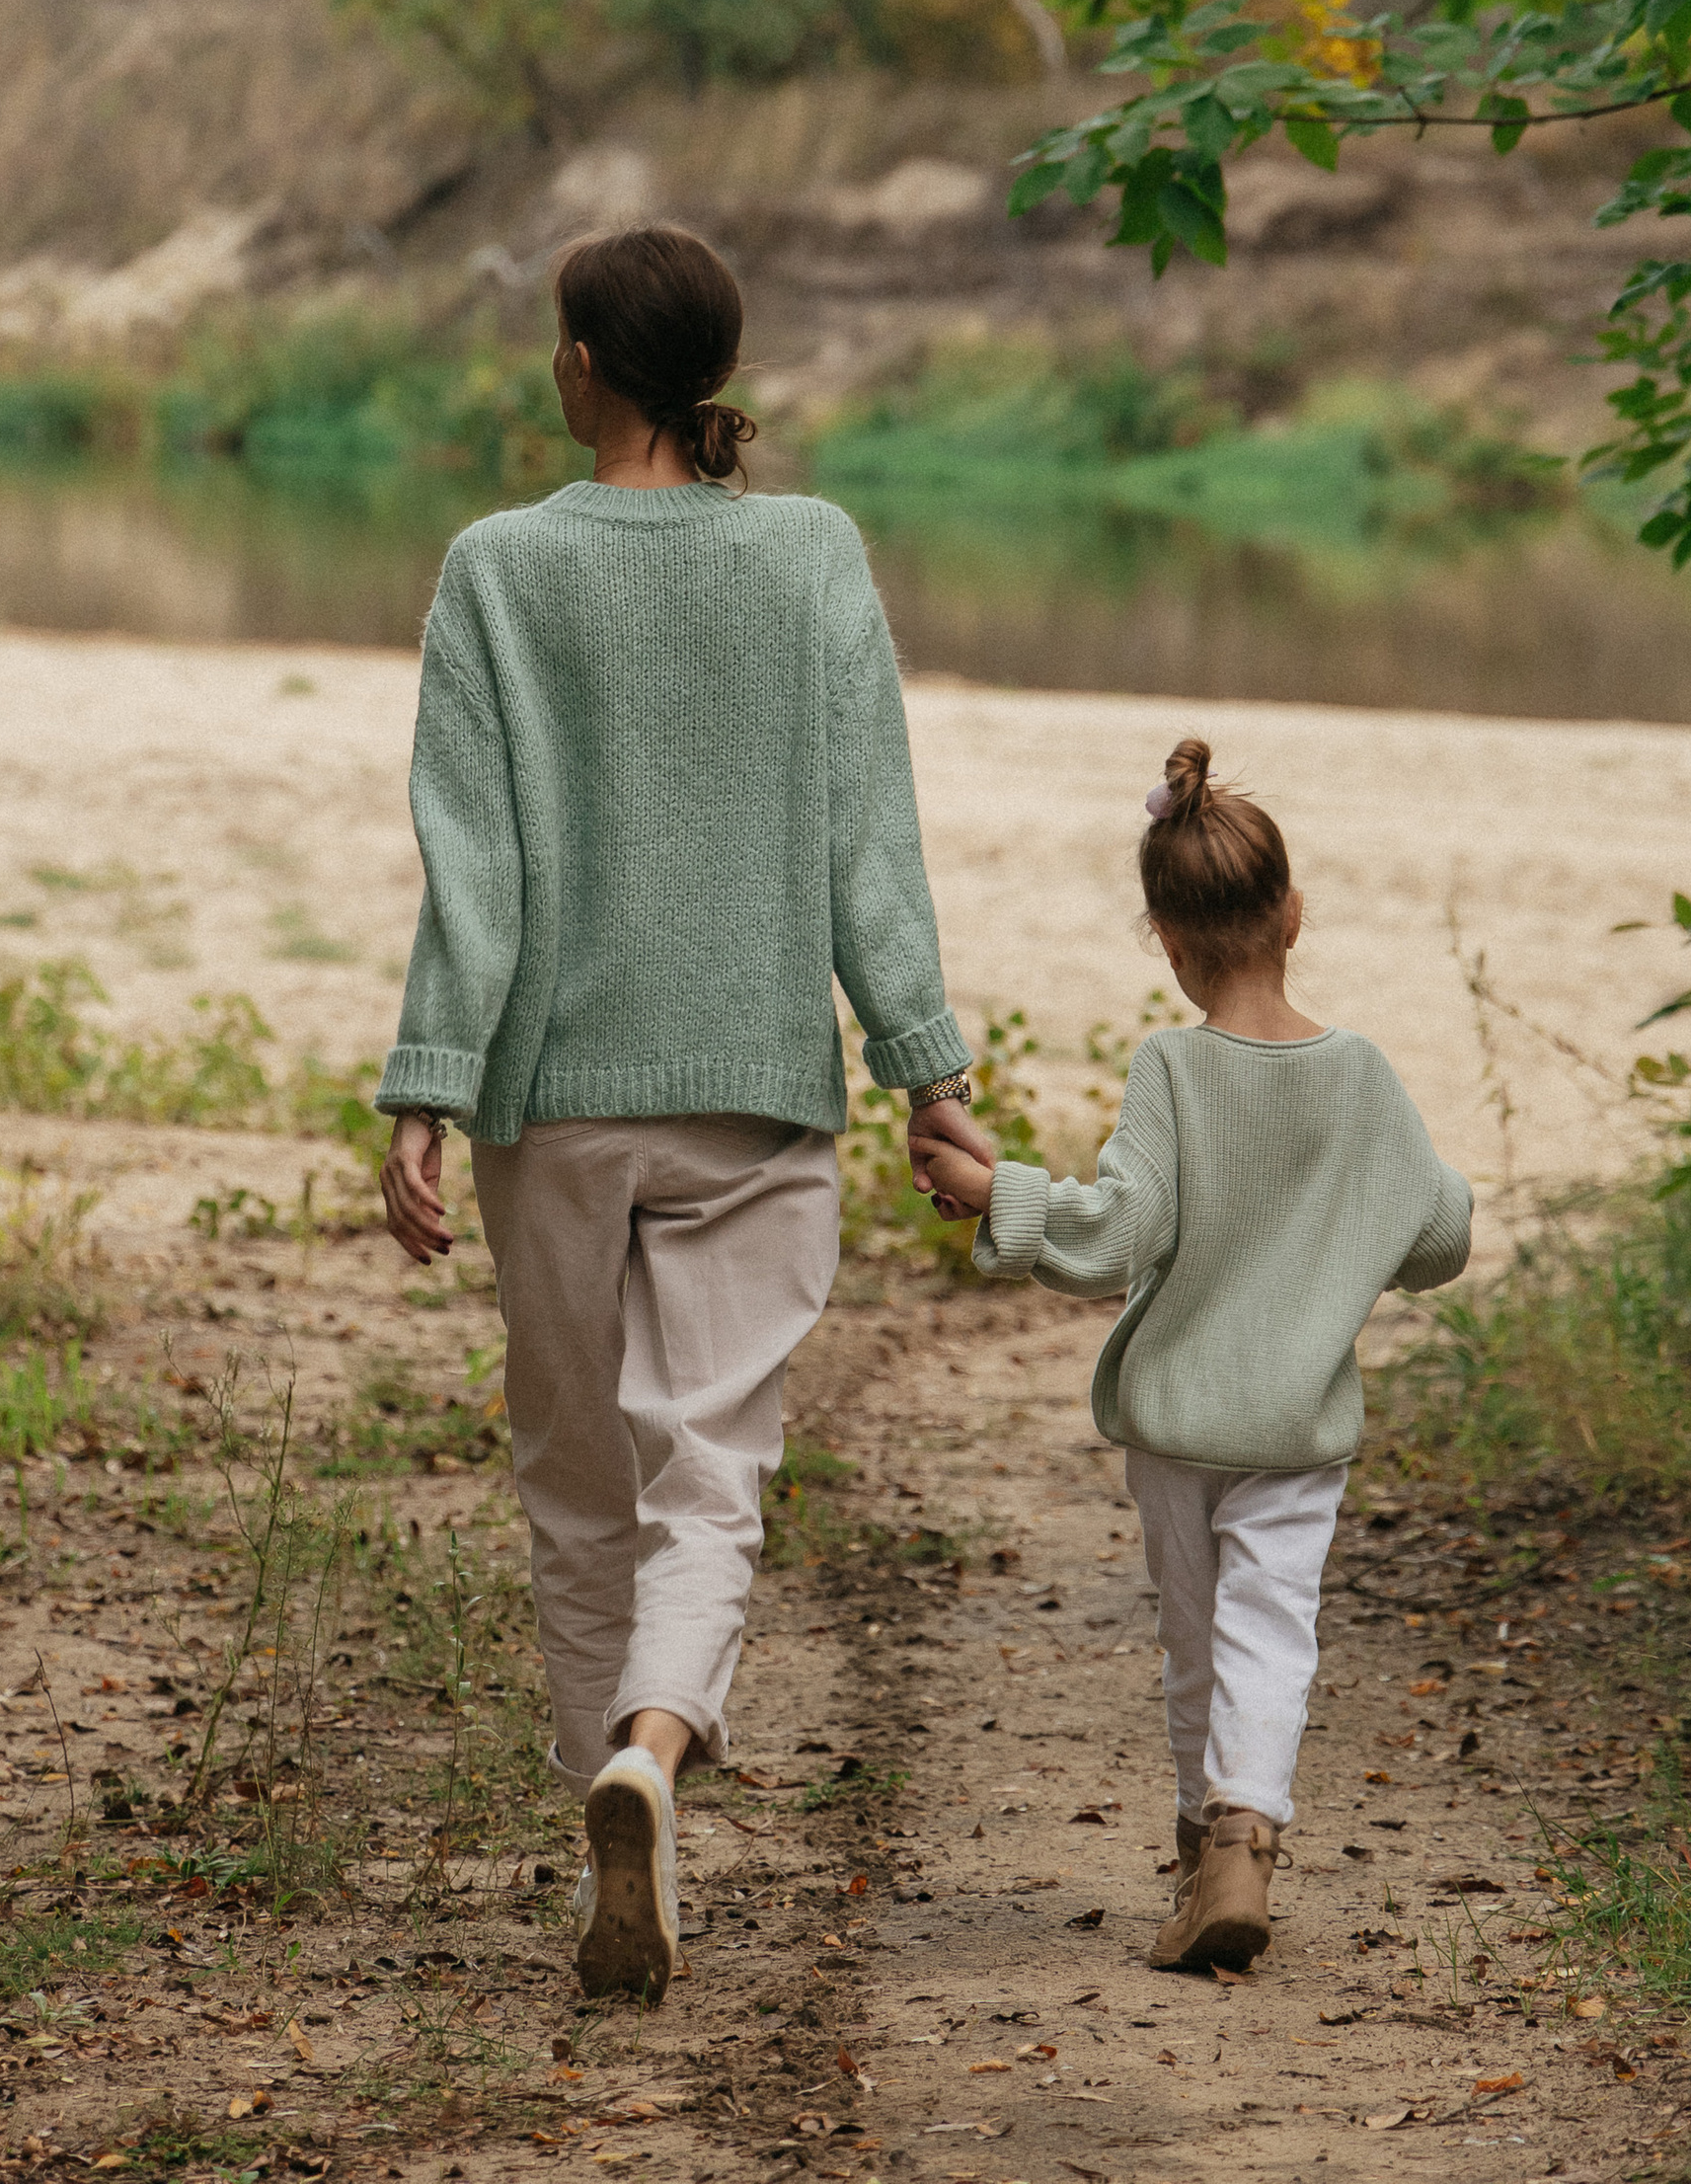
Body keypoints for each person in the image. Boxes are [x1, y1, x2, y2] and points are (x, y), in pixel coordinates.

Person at [373, 223, 993, 2005]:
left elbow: (473, 866)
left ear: (585, 364)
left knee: (579, 1487)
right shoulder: (812, 553)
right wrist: (929, 1066)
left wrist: (428, 1087)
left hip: (554, 1105)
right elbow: (869, 841)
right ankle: (652, 1752)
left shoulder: (497, 568)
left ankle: (613, 1810)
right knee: (709, 1476)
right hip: (754, 1095)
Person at [914, 735, 1472, 1975]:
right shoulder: (1362, 1076)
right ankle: (1241, 1836)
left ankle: (1196, 1851)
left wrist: (998, 1192)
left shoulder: (1169, 1067)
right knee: (1272, 1631)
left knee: (1195, 1643)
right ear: (1293, 914)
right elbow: (1438, 1237)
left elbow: (1118, 1233)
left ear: (1166, 942)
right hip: (1295, 1427)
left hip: (1178, 1424)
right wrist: (1365, 1217)